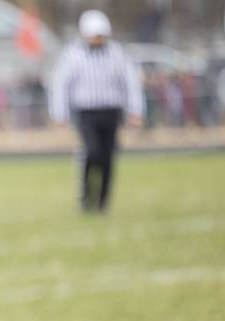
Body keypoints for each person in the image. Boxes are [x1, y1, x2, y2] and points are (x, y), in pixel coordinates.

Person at [49, 9, 145, 213]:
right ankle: (86, 196)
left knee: (108, 157)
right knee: (92, 152)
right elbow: (61, 85)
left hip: (111, 111)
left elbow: (131, 83)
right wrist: (60, 116)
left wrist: (135, 111)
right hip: (86, 113)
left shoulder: (117, 53)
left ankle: (103, 202)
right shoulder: (73, 54)